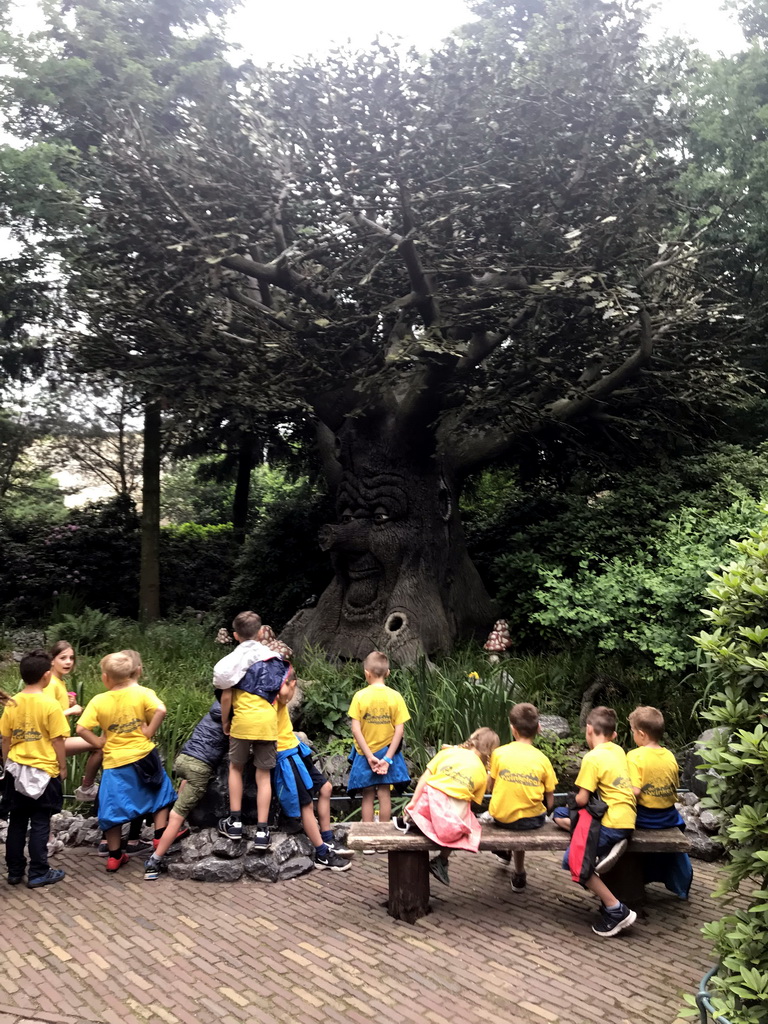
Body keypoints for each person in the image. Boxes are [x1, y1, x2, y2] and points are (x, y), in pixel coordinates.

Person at [76, 651, 176, 873]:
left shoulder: (99, 700)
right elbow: (161, 709)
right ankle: (160, 837)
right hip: (143, 755)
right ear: (136, 672)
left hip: (114, 762)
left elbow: (81, 728)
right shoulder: (143, 693)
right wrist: (149, 731)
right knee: (161, 794)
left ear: (105, 678)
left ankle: (114, 856)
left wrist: (99, 742)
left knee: (112, 809)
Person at [553, 706, 637, 937]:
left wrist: (573, 798)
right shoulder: (619, 751)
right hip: (627, 817)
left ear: (589, 729)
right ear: (614, 734)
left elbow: (581, 799)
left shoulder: (592, 757)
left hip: (611, 823)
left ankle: (616, 909)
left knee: (573, 861)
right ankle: (602, 852)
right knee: (560, 814)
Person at [215, 611, 290, 849]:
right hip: (268, 723)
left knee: (235, 768)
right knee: (263, 775)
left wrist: (226, 722)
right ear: (260, 632)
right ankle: (262, 830)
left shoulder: (231, 662)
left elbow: (226, 695)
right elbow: (284, 694)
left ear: (235, 635)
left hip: (242, 722)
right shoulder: (273, 659)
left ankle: (235, 822)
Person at [394, 727, 499, 885]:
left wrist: (413, 802)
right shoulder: (482, 773)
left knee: (433, 791)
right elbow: (474, 801)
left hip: (429, 802)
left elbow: (425, 778)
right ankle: (442, 859)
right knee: (469, 824)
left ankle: (414, 819)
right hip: (450, 819)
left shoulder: (447, 752)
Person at [0, 651, 68, 888]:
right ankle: (39, 871)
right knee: (40, 821)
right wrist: (62, 767)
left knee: (17, 820)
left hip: (16, 770)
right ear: (47, 675)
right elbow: (58, 740)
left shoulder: (12, 702)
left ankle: (15, 871)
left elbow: (5, 739)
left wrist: (6, 764)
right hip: (44, 770)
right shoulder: (51, 704)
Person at [143, 697, 229, 879]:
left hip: (184, 759)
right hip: (200, 767)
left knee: (184, 784)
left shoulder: (214, 710)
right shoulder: (231, 718)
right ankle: (154, 861)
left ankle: (170, 826)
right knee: (177, 815)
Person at [273, 670, 351, 872]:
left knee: (325, 788)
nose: (293, 693)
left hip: (296, 750)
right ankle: (322, 854)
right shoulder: (272, 697)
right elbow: (282, 692)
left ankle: (327, 838)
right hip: (285, 756)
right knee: (306, 805)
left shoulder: (278, 698)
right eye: (293, 687)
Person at [487, 702, 557, 893]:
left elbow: (490, 787)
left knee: (512, 809)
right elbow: (550, 800)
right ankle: (519, 873)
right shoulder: (542, 759)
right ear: (538, 728)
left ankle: (507, 855)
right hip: (532, 821)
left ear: (512, 729)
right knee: (524, 811)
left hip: (502, 819)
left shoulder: (499, 754)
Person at [627, 705, 693, 899]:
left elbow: (635, 791)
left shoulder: (635, 756)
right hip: (669, 817)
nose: (633, 736)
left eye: (632, 732)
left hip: (646, 818)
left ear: (641, 734)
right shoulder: (670, 756)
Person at [347, 651, 411, 830]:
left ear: (366, 673)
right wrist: (388, 758)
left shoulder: (359, 697)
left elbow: (355, 729)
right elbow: (399, 730)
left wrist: (368, 756)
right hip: (387, 752)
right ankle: (383, 834)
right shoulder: (395, 697)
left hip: (365, 753)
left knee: (367, 794)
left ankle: (367, 836)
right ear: (388, 673)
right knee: (384, 793)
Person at [48, 641, 102, 803]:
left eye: (71, 658)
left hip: (59, 738)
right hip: (52, 741)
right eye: (62, 658)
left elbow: (54, 708)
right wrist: (72, 710)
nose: (68, 662)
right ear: (52, 660)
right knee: (99, 745)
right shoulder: (51, 683)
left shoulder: (59, 681)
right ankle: (87, 787)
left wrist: (67, 703)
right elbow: (44, 716)